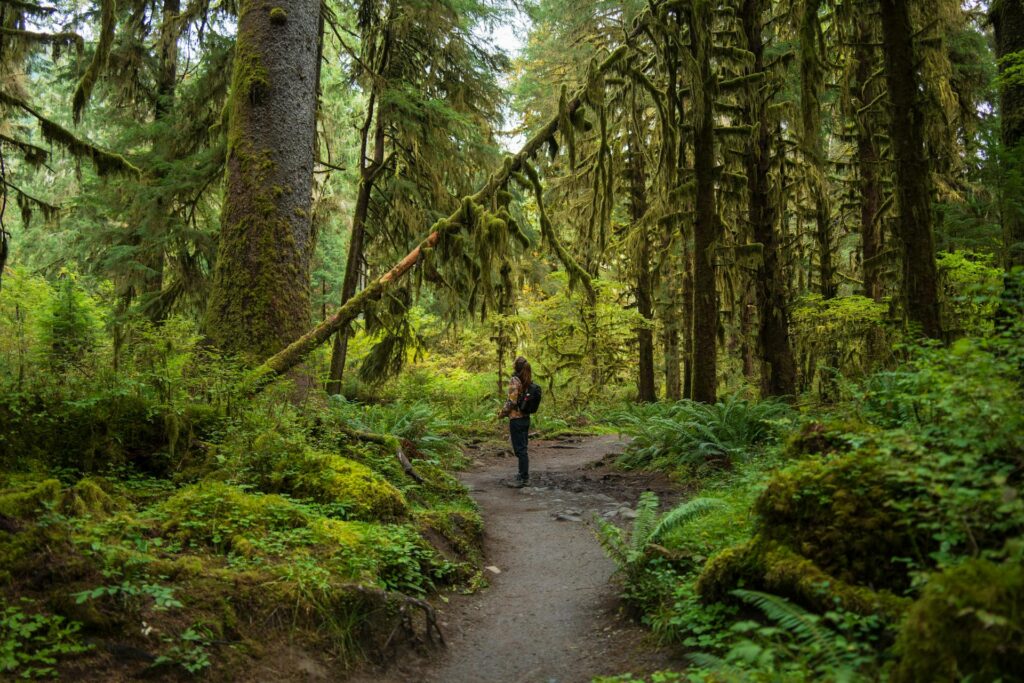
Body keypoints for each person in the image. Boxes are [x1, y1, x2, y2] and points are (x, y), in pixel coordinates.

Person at [498, 356, 532, 488]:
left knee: (520, 450)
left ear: (516, 367)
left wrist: (502, 413)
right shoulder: (527, 380)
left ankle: (523, 477)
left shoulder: (514, 380)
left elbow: (512, 401)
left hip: (516, 419)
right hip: (526, 418)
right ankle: (522, 474)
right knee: (523, 448)